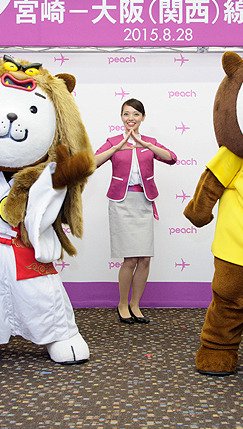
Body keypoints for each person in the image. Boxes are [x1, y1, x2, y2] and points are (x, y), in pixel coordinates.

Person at [94, 98, 176, 324]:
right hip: (121, 203)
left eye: (136, 114)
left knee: (145, 259)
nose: (131, 118)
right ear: (121, 117)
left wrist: (146, 145)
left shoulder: (150, 142)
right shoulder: (112, 141)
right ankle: (122, 304)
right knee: (130, 259)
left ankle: (135, 304)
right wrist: (116, 148)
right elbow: (91, 163)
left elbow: (172, 158)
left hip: (144, 201)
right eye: (126, 114)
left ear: (143, 117)